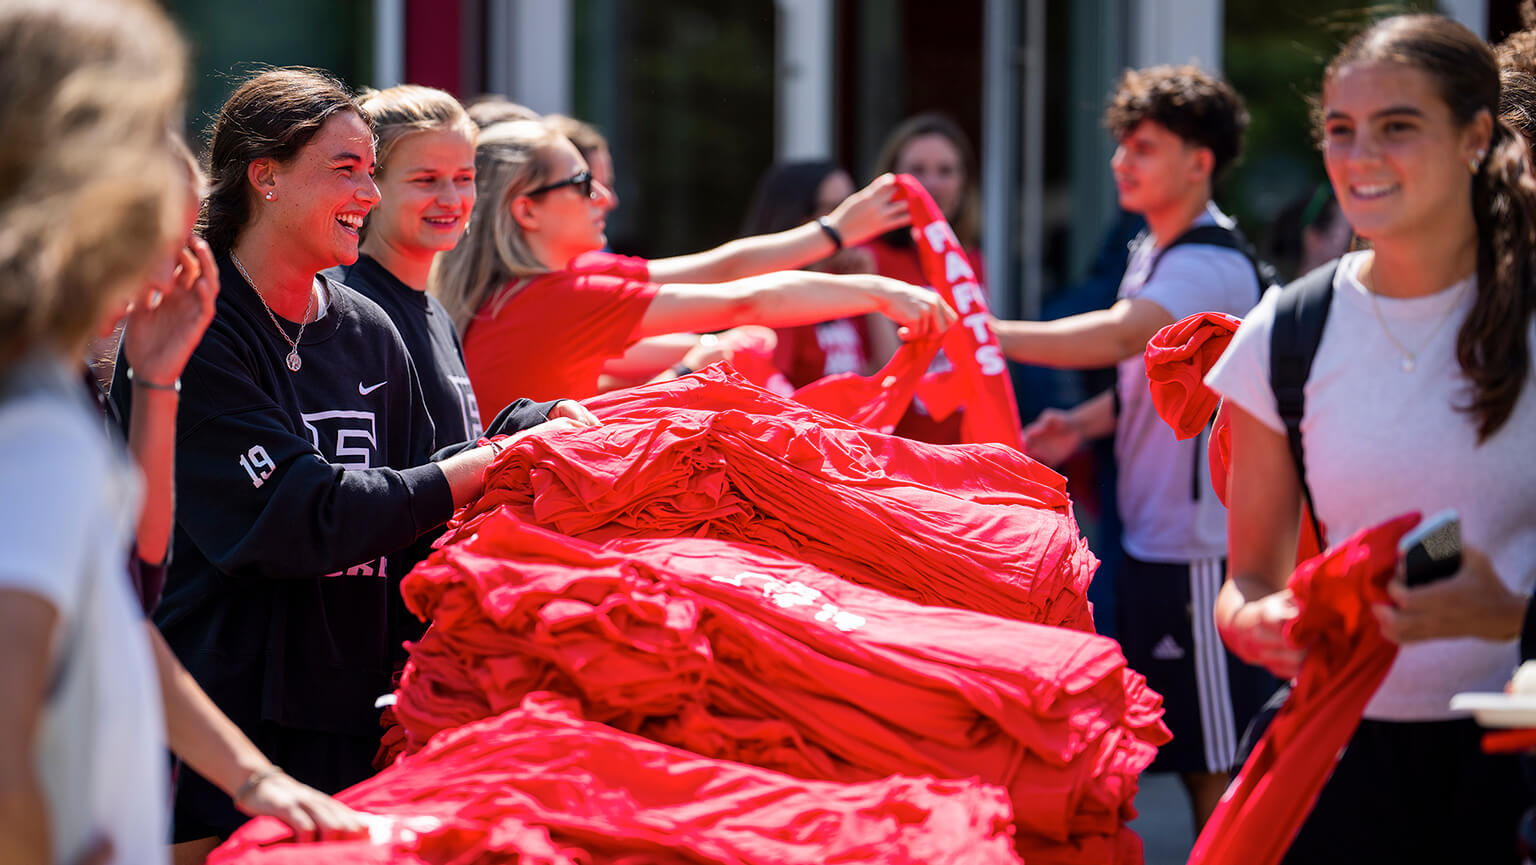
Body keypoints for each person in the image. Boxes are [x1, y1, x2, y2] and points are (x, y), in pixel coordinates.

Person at [107, 68, 589, 858]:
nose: (369, 191)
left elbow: (427, 479)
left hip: (353, 712)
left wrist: (531, 429)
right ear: (264, 176)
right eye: (346, 168)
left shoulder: (367, 322)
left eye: (371, 168)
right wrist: (489, 459)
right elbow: (298, 516)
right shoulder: (194, 323)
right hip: (219, 732)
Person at [0, 5, 365, 865]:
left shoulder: (52, 383)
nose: (194, 222)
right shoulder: (34, 425)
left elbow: (125, 596)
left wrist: (253, 778)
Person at [1206, 15, 1533, 862]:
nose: (1360, 157)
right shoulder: (1284, 334)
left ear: (1474, 138)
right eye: (1341, 131)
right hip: (1341, 756)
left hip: (1519, 765)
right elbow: (1246, 576)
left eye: (1398, 126)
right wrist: (1259, 619)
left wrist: (1510, 613)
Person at [991, 65, 1271, 832]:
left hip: (1200, 547)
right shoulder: (1155, 245)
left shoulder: (1209, 260)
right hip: (1157, 538)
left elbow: (1120, 334)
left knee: (1219, 760)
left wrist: (982, 331)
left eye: (1142, 147)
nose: (1122, 161)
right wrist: (1081, 425)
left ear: (1199, 160)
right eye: (1121, 146)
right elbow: (1156, 380)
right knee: (1187, 757)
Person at [429, 119, 955, 409]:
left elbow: (723, 267)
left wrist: (835, 231)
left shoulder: (545, 288)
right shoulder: (561, 297)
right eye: (584, 184)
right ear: (526, 210)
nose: (606, 198)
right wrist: (883, 289)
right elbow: (747, 299)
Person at [867, 113, 986, 443]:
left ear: (964, 183)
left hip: (964, 447)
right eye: (917, 171)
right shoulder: (866, 259)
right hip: (892, 451)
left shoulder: (971, 260)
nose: (931, 185)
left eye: (945, 171)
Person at [738, 160, 885, 388]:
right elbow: (767, 394)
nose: (851, 218)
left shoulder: (841, 281)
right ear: (800, 218)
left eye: (851, 205)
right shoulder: (780, 297)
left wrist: (872, 286)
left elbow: (885, 376)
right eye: (836, 209)